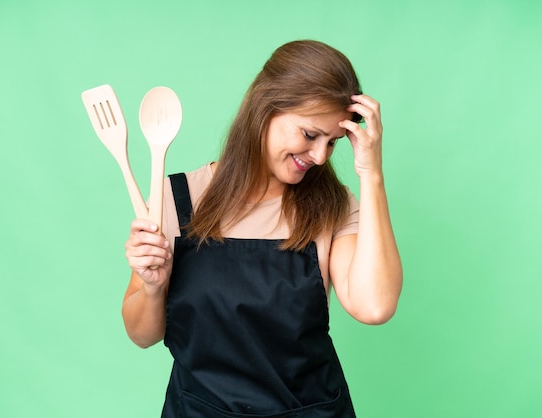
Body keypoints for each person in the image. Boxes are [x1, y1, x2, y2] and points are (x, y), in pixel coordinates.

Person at [122, 40, 403, 417]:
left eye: (333, 142)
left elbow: (375, 306)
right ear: (265, 108)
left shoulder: (333, 206)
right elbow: (142, 334)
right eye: (309, 134)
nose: (320, 156)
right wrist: (153, 287)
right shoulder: (177, 199)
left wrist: (372, 174)